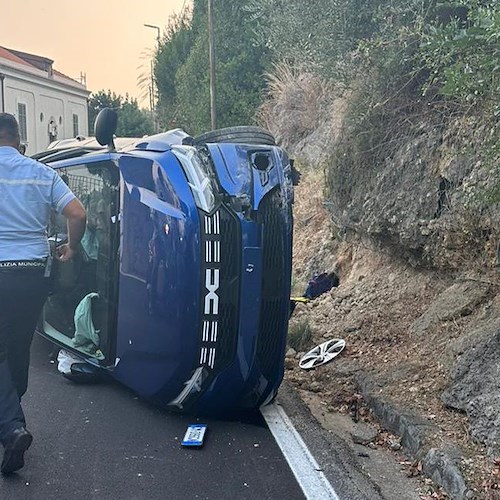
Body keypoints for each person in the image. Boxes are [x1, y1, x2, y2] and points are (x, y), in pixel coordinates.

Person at [0, 113, 86, 475]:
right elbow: (77, 212)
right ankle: (11, 419)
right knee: (17, 346)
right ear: (20, 143)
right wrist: (71, 246)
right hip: (32, 273)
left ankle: (11, 427)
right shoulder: (40, 172)